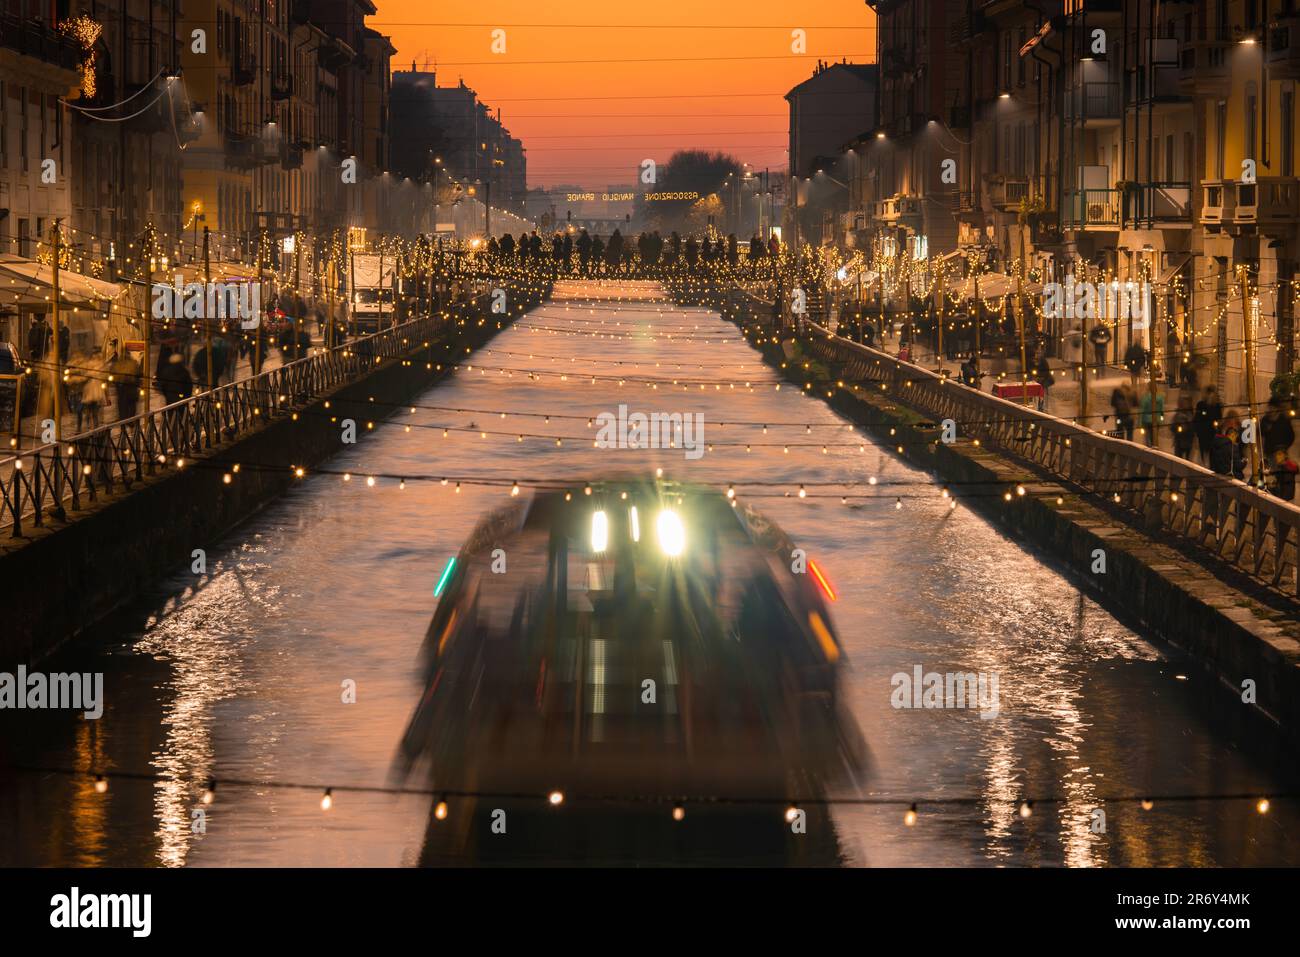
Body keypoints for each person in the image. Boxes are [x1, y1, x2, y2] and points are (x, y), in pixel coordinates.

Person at [110, 345, 142, 421]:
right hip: (129, 387)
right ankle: (129, 420)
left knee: (123, 405)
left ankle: (124, 420)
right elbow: (138, 374)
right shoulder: (133, 362)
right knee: (130, 405)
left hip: (123, 387)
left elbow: (113, 373)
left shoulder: (119, 363)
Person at [1261, 395, 1296, 461]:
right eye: (1270, 407)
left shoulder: (1284, 419)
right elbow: (1262, 435)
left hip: (1282, 452)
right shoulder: (1265, 419)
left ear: (1277, 408)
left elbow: (1291, 435)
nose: (1271, 409)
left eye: (1273, 407)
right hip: (1270, 452)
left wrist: (1284, 446)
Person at [1194, 386, 1222, 466]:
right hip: (1203, 431)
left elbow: (1219, 417)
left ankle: (1211, 465)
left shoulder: (1217, 406)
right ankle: (1203, 464)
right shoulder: (1201, 404)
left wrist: (1217, 425)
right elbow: (1197, 417)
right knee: (1202, 449)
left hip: (1212, 431)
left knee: (1212, 449)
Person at [1171, 392, 1195, 460]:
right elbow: (1172, 426)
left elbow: (1192, 427)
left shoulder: (1190, 414)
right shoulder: (1178, 413)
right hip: (1179, 440)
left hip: (1187, 440)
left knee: (1187, 460)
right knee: (1178, 459)